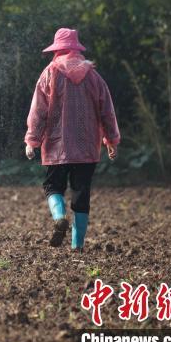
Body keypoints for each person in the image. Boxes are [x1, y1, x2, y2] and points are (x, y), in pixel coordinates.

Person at [24, 28, 120, 251]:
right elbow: (107, 110)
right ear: (77, 50)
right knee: (81, 194)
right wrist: (111, 140)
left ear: (57, 50)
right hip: (87, 148)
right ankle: (77, 245)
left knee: (52, 186)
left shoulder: (49, 73)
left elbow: (38, 111)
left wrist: (32, 140)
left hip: (58, 146)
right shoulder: (94, 76)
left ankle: (59, 217)